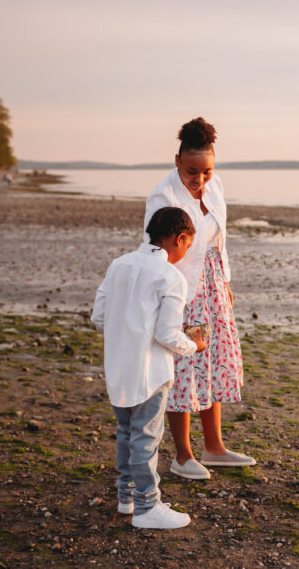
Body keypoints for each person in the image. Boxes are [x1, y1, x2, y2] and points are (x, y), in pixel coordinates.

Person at [145, 117, 254, 481]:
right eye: (192, 171)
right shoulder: (163, 195)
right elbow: (154, 249)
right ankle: (182, 454)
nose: (200, 179)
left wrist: (225, 281)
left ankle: (214, 447)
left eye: (207, 171)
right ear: (177, 161)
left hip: (212, 285)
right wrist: (163, 297)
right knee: (184, 369)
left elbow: (219, 240)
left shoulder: (215, 187)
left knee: (214, 361)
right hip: (181, 288)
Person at [91, 207, 207, 529]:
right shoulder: (171, 276)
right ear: (180, 238)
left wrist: (125, 332)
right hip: (151, 372)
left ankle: (126, 497)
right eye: (187, 246)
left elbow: (98, 317)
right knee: (146, 438)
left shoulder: (119, 265)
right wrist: (193, 345)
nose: (186, 253)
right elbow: (167, 334)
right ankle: (147, 507)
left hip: (118, 368)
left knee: (126, 434)